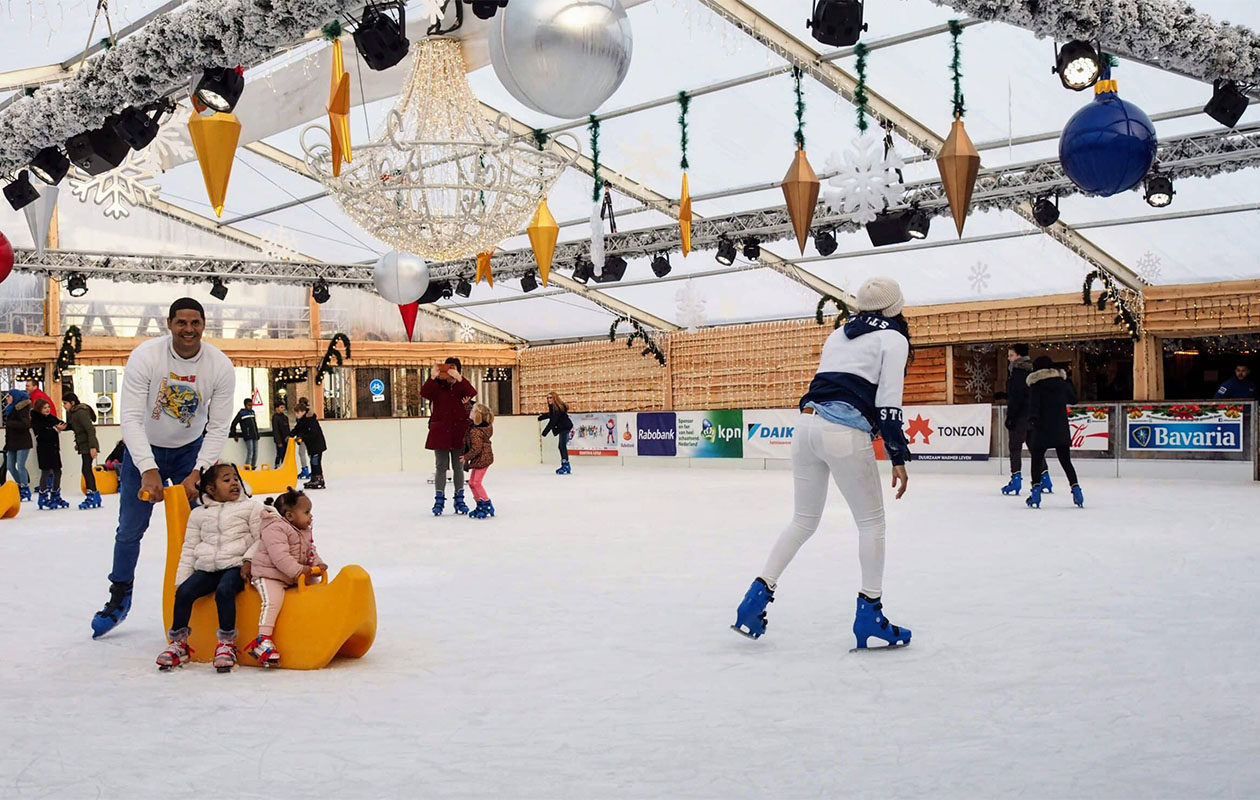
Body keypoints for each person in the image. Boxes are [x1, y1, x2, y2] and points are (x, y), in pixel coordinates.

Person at [732, 277, 913, 650]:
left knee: (802, 521)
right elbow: (889, 403)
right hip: (843, 432)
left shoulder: (839, 334)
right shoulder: (894, 339)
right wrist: (898, 455)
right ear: (895, 307)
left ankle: (754, 600)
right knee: (872, 524)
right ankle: (870, 612)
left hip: (806, 426)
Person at [92, 297, 237, 639]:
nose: (188, 329)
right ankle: (119, 597)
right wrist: (146, 466)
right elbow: (128, 416)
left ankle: (216, 592)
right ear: (169, 324)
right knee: (129, 529)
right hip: (144, 451)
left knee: (209, 524)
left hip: (190, 453)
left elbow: (218, 426)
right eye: (181, 323)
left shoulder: (220, 366)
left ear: (204, 325)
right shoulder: (146, 356)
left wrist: (200, 469)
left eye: (195, 323)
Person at [155, 464, 263, 672]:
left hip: (235, 565)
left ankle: (226, 644)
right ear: (211, 489)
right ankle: (179, 644)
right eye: (226, 480)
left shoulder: (251, 508)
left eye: (235, 479)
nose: (234, 483)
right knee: (185, 592)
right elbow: (189, 547)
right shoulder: (198, 515)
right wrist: (183, 579)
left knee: (224, 591)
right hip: (206, 567)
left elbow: (261, 538)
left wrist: (249, 560)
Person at [243, 487, 328, 667]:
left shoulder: (303, 529)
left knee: (316, 592)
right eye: (306, 512)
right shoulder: (275, 528)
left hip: (291, 575)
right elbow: (280, 557)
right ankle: (262, 640)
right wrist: (299, 570)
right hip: (269, 575)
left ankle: (318, 630)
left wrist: (317, 564)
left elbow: (310, 551)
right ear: (289, 516)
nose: (311, 516)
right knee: (272, 601)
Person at [1026, 356, 1084, 509]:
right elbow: (1074, 399)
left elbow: (1034, 407)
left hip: (1042, 427)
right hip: (1060, 427)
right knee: (1066, 461)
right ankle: (1076, 489)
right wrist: (1067, 379)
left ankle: (1036, 493)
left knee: (1036, 461)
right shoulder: (1061, 383)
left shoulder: (1036, 384)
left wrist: (1032, 422)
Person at [421, 358, 477, 516]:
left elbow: (472, 393)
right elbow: (424, 393)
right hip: (440, 432)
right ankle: (439, 499)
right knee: (441, 466)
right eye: (447, 368)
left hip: (458, 432)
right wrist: (432, 377)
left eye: (453, 369)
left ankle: (459, 499)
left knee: (458, 467)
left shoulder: (461, 387)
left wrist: (459, 379)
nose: (450, 372)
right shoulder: (437, 387)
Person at [1001, 343, 1035, 496]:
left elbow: (1016, 397)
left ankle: (1016, 479)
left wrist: (1011, 417)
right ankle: (1045, 477)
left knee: (1015, 448)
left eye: (1011, 355)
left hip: (1020, 416)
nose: (1009, 359)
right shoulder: (1032, 371)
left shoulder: (1017, 373)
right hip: (1032, 415)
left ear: (1019, 356)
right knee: (1035, 448)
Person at [64, 393, 103, 509]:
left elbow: (89, 429)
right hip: (84, 445)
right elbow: (78, 428)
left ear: (72, 403)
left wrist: (92, 447)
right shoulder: (74, 413)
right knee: (86, 469)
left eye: (65, 403)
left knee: (86, 469)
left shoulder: (80, 413)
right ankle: (94, 494)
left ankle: (92, 494)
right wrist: (77, 443)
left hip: (88, 445)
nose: (64, 406)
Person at [31, 398, 70, 510]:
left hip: (53, 448)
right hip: (44, 449)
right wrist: (55, 429)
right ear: (39, 409)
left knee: (58, 470)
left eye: (48, 407)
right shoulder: (36, 419)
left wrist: (64, 426)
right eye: (44, 408)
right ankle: (43, 495)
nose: (47, 410)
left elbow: (61, 424)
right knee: (46, 471)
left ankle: (55, 494)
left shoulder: (51, 418)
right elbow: (42, 434)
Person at [461, 403, 496, 519]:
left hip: (483, 459)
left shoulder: (476, 431)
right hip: (480, 458)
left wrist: (466, 457)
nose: (470, 412)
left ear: (477, 416)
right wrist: (466, 405)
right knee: (471, 483)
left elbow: (476, 448)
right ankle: (479, 504)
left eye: (472, 411)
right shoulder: (483, 426)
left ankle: (486, 504)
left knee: (476, 483)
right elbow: (472, 415)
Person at [2, 389, 33, 502]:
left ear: (14, 397)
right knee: (10, 466)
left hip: (22, 442)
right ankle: (20, 485)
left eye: (9, 396)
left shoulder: (21, 409)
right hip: (12, 443)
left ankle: (24, 487)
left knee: (20, 465)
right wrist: (7, 443)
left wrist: (10, 424)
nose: (7, 399)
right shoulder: (10, 410)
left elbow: (25, 424)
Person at [538, 392, 574, 475]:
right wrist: (541, 417)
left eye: (551, 398)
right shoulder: (553, 408)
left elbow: (553, 421)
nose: (549, 400)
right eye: (548, 398)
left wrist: (544, 432)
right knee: (561, 446)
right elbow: (550, 415)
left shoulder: (558, 408)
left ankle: (565, 465)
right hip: (563, 428)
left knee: (562, 446)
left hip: (565, 427)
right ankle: (566, 465)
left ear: (555, 398)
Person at [293, 403, 327, 490]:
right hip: (311, 445)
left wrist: (302, 437)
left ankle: (319, 479)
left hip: (317, 444)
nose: (296, 415)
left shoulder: (311, 420)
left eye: (298, 413)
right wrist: (290, 435)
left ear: (303, 412)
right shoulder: (302, 421)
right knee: (312, 461)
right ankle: (314, 478)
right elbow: (297, 429)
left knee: (315, 462)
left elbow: (313, 433)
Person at [229, 397, 260, 468]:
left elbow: (254, 424)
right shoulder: (241, 413)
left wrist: (257, 434)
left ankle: (253, 466)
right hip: (248, 435)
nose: (250, 407)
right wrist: (234, 434)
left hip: (254, 435)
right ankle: (247, 467)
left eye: (251, 405)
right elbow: (234, 423)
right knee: (250, 452)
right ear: (245, 405)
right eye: (249, 405)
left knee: (255, 453)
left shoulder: (252, 412)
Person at [270, 400, 291, 468]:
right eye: (281, 407)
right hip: (280, 440)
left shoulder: (285, 417)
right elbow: (275, 430)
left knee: (285, 455)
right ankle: (277, 466)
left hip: (286, 439)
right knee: (280, 454)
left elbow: (287, 428)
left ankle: (284, 466)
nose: (283, 409)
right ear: (277, 408)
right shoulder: (275, 418)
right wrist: (278, 441)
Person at [296, 396, 312, 480]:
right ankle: (310, 469)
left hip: (304, 436)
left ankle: (305, 469)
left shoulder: (304, 414)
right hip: (305, 436)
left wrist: (299, 436)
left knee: (302, 452)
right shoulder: (309, 413)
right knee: (308, 452)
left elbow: (300, 427)